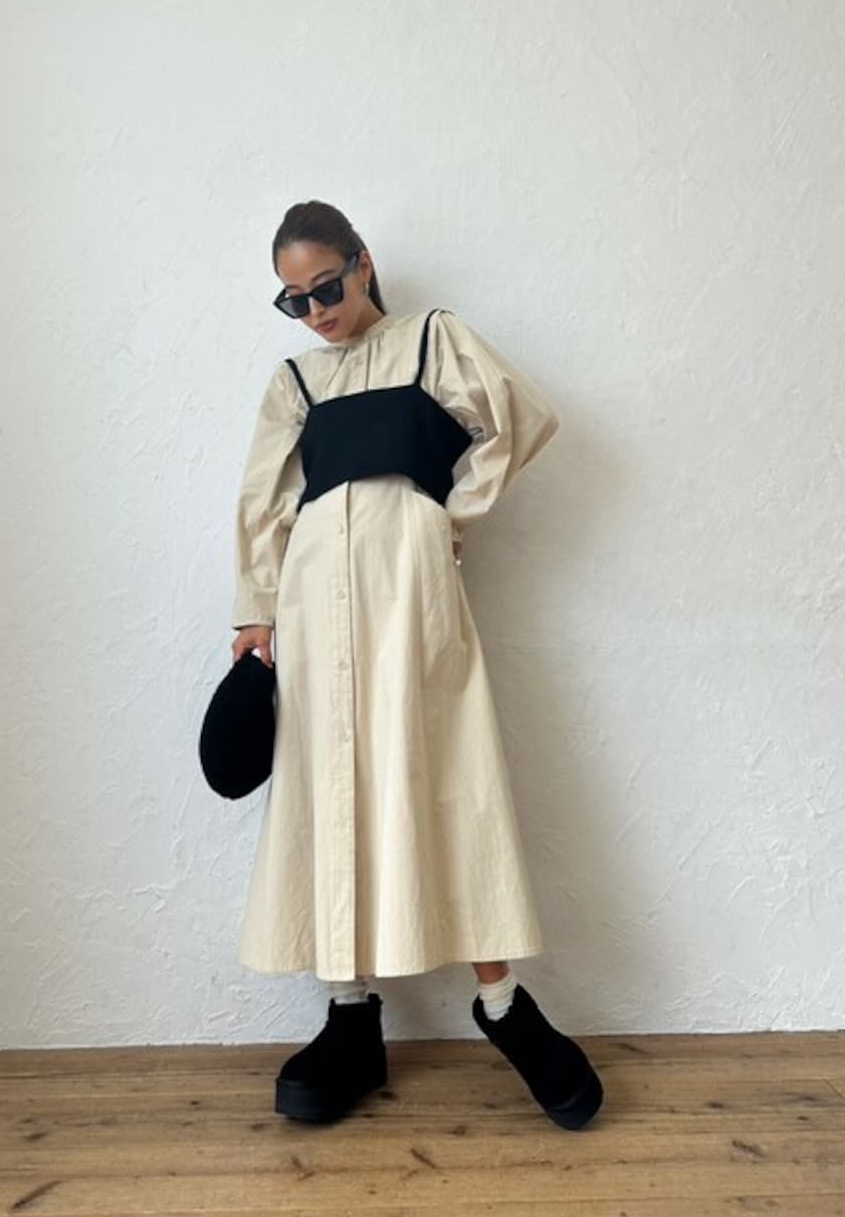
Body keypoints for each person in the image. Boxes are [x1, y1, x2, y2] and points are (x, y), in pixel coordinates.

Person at [230, 199, 604, 1131]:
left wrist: (447, 517)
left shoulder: (433, 341)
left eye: (325, 287)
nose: (315, 311)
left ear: (362, 263)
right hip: (313, 600)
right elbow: (264, 504)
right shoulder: (296, 382)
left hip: (413, 587)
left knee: (445, 771)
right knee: (328, 782)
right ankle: (350, 1013)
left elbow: (521, 418)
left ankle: (504, 1005)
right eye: (293, 300)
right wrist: (255, 614)